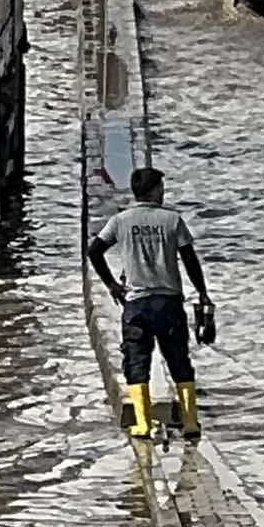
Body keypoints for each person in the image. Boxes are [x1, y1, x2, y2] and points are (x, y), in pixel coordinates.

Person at [87, 167, 212, 441]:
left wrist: (111, 284)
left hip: (136, 306)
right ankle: (190, 423)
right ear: (155, 190)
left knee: (136, 363)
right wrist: (202, 292)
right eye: (161, 187)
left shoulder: (120, 221)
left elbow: (94, 251)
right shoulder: (172, 220)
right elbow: (190, 260)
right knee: (179, 361)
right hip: (169, 305)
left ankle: (143, 426)